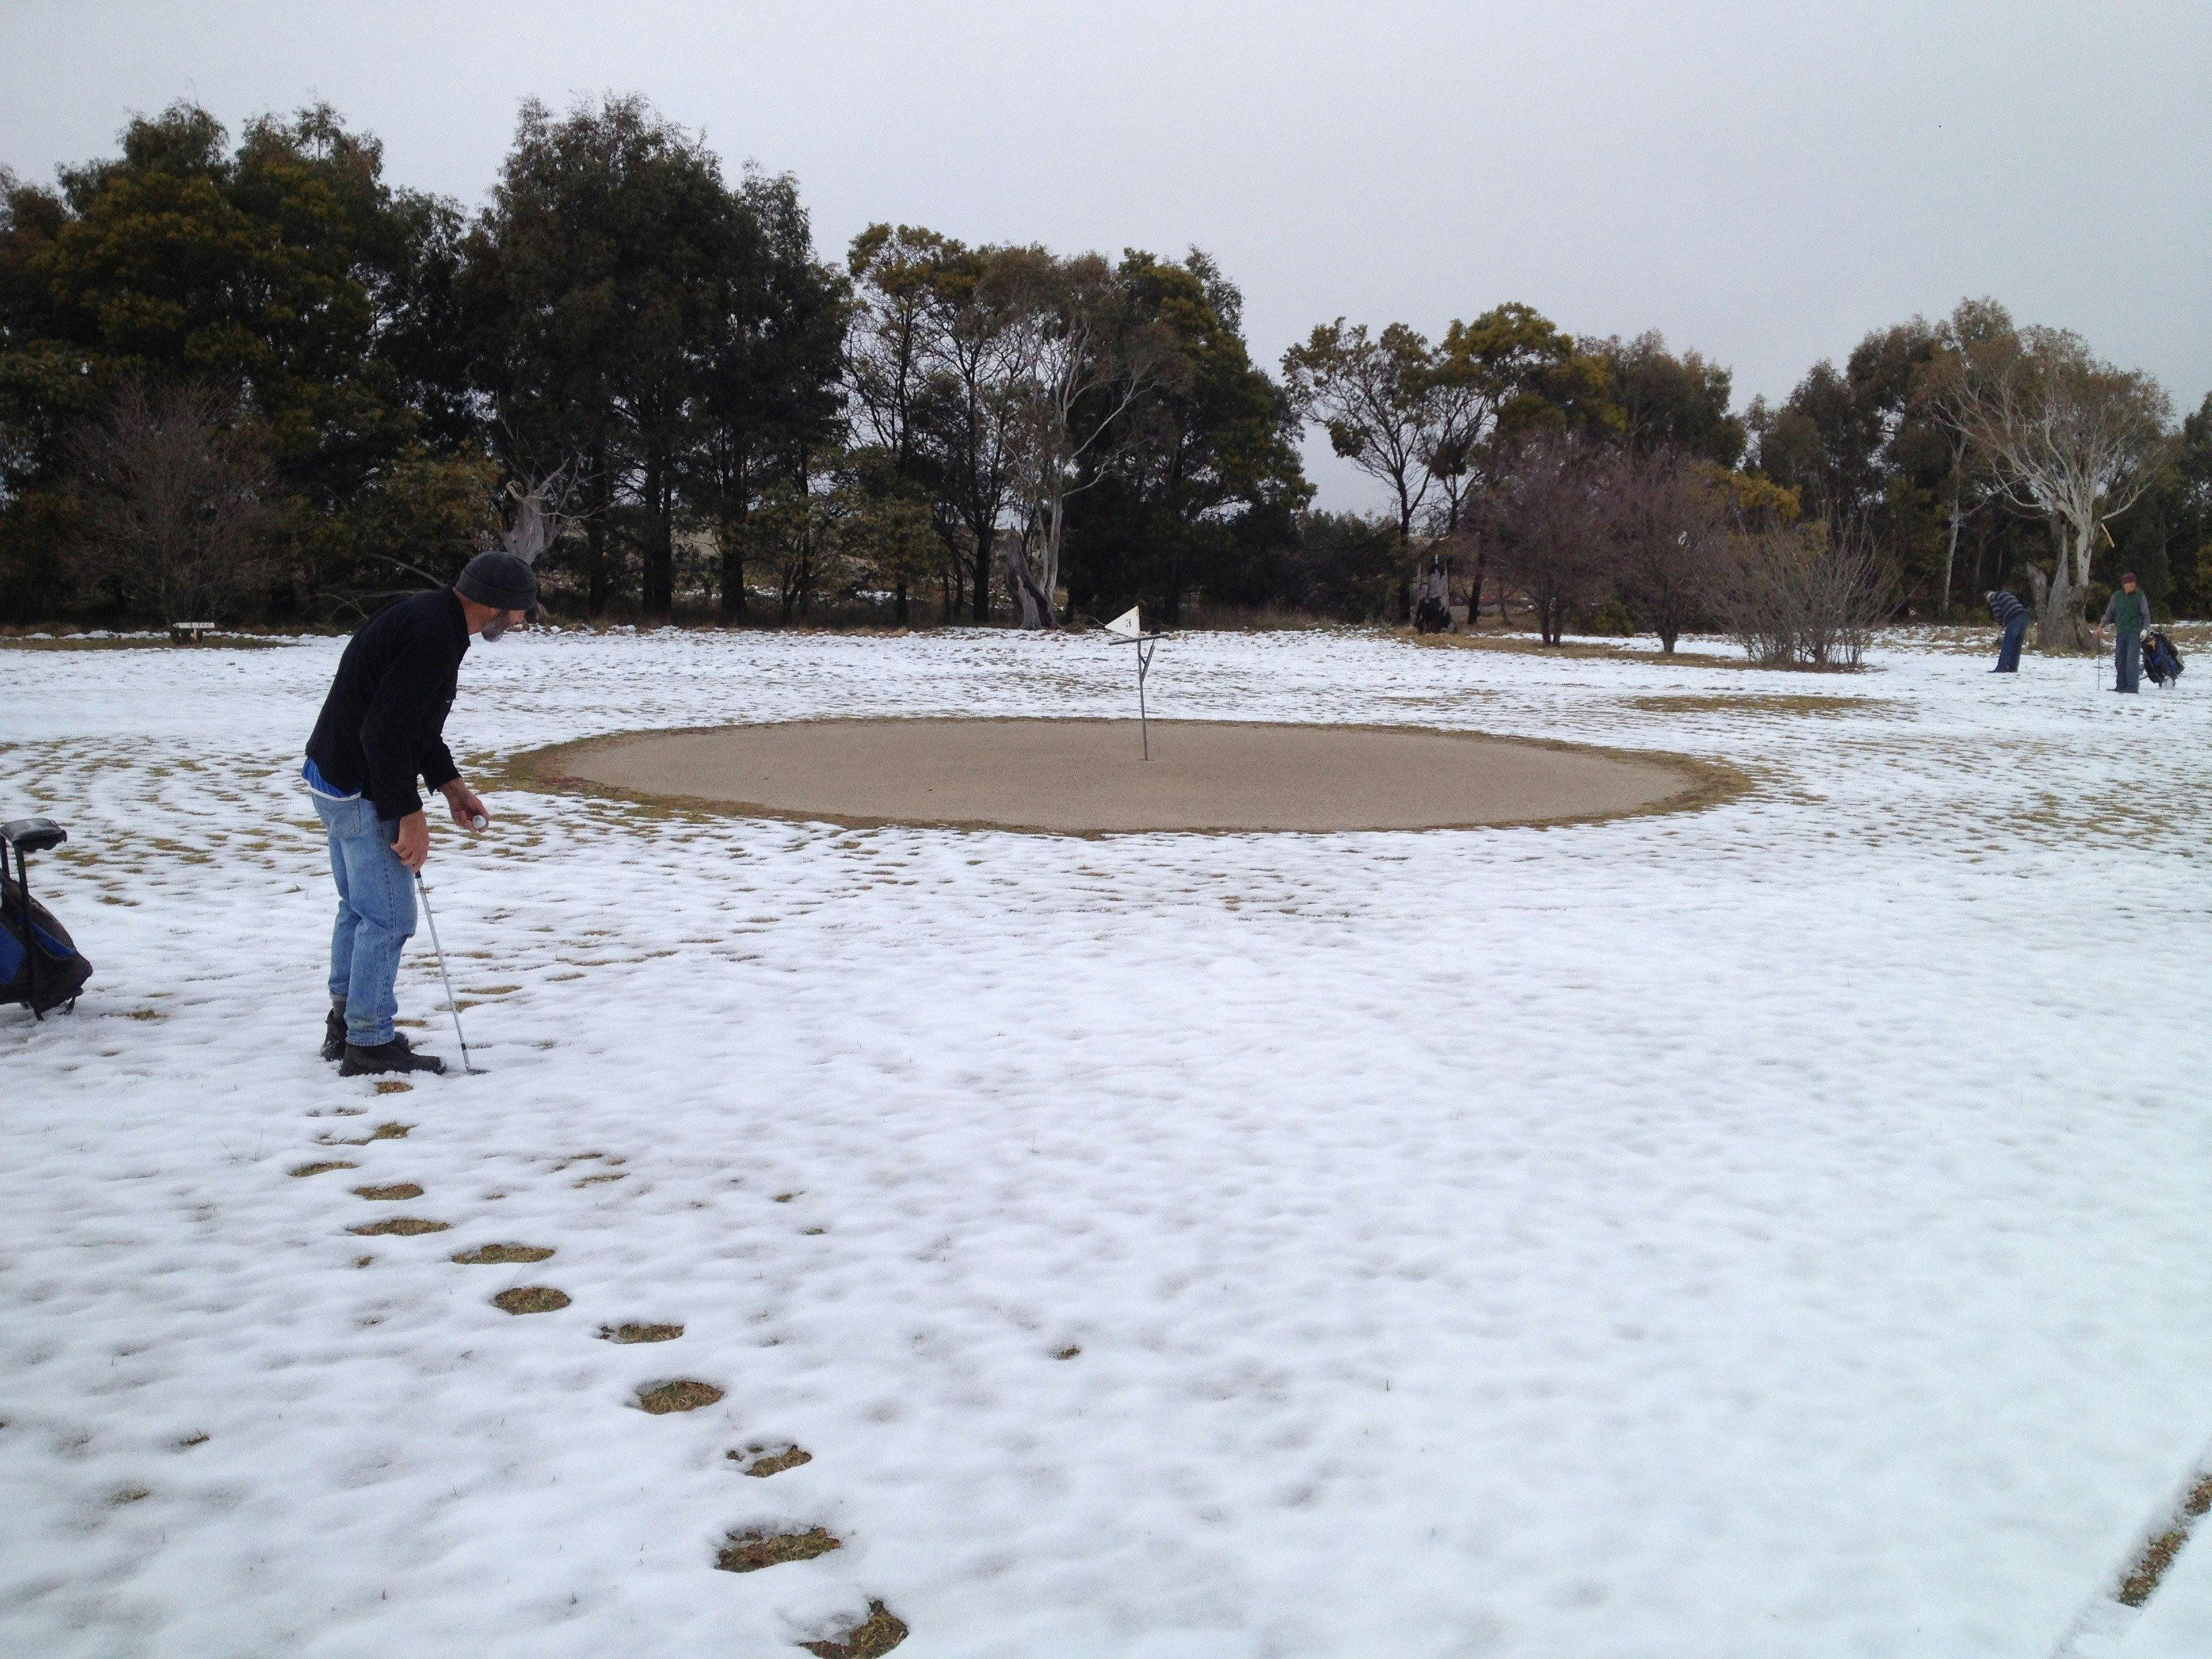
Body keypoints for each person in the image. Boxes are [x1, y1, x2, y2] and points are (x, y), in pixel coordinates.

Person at [302, 551, 537, 1075]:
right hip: (358, 784)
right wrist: (409, 815)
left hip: (332, 774)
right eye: (522, 611)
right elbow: (383, 733)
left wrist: (451, 787)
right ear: (497, 605)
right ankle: (368, 1042)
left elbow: (414, 725)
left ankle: (346, 1025)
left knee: (360, 908)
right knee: (389, 917)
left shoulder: (433, 618)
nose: (522, 620)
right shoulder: (434, 635)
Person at [2100, 572, 2150, 694]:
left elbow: (2146, 615)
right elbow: (2109, 613)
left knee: (2132, 661)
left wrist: (2145, 629)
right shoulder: (2117, 596)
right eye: (2129, 583)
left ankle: (2132, 687)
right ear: (2124, 584)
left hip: (2135, 633)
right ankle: (2120, 686)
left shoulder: (2140, 596)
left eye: (2134, 582)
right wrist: (2101, 626)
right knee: (2120, 660)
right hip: (2121, 632)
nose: (2132, 585)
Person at [1984, 589, 2028, 673]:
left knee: (2008, 643)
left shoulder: (1993, 597)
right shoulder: (2005, 594)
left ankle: (2002, 667)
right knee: (2017, 644)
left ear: (1988, 597)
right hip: (2024, 616)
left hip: (2015, 617)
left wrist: (2000, 624)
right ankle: (2013, 668)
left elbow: (1997, 611)